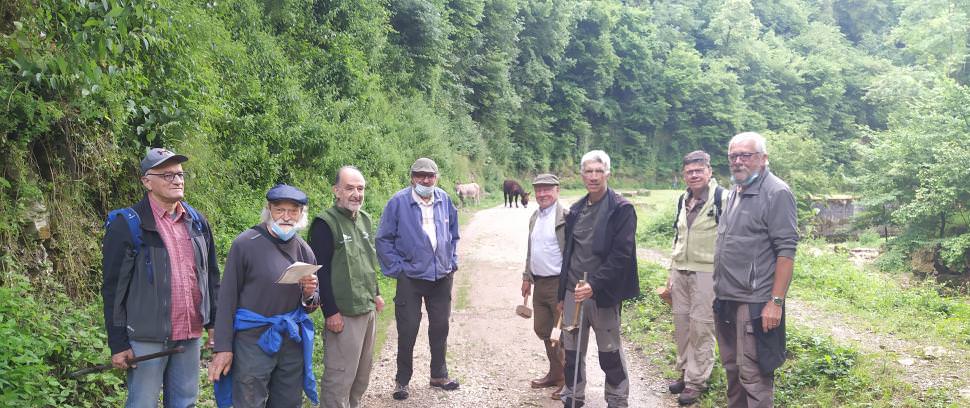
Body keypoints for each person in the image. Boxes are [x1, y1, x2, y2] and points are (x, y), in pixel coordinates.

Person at [101, 147, 219, 407]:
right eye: (167, 175)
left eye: (179, 174)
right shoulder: (128, 224)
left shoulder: (197, 221)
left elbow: (210, 275)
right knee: (142, 403)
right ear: (147, 182)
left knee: (185, 402)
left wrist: (214, 323)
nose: (177, 180)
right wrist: (118, 343)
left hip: (189, 334)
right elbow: (113, 289)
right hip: (146, 338)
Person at [208, 184, 320, 408]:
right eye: (280, 210)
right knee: (249, 402)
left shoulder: (303, 249)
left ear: (301, 214)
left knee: (288, 402)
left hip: (291, 340)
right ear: (269, 210)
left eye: (293, 210)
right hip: (252, 341)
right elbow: (227, 299)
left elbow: (312, 303)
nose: (286, 217)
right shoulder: (245, 244)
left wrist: (309, 294)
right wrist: (223, 347)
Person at [713, 132, 799, 408]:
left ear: (763, 159)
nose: (738, 161)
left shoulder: (776, 192)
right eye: (733, 156)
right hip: (727, 298)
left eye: (745, 155)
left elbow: (786, 251)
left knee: (754, 375)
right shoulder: (735, 191)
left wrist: (775, 302)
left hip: (754, 302)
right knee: (732, 370)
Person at [558, 150, 640, 408]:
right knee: (572, 351)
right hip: (573, 292)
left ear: (607, 173)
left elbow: (621, 255)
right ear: (582, 175)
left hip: (602, 294)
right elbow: (568, 255)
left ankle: (617, 399)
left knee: (609, 351)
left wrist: (595, 284)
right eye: (588, 171)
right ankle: (572, 395)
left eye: (598, 171)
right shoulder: (576, 209)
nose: (593, 176)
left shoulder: (621, 209)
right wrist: (563, 294)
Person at [376, 158, 461, 401]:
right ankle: (402, 380)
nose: (425, 180)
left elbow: (454, 234)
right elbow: (383, 239)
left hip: (442, 276)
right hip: (411, 279)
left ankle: (439, 375)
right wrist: (398, 269)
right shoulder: (398, 202)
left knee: (440, 327)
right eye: (420, 175)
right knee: (408, 328)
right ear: (412, 177)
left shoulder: (444, 199)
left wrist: (452, 260)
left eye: (430, 176)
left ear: (436, 177)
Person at [308, 166, 385, 408]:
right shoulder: (324, 224)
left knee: (361, 375)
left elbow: (367, 260)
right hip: (343, 314)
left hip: (367, 308)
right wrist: (330, 311)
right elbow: (321, 272)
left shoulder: (364, 219)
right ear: (336, 191)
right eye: (349, 188)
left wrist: (377, 293)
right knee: (340, 377)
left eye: (360, 188)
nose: (356, 194)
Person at [666, 150, 727, 406]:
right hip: (680, 269)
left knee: (701, 327)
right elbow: (678, 237)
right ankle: (684, 371)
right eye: (689, 171)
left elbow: (730, 238)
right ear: (684, 174)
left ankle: (696, 382)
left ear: (709, 171)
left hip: (707, 272)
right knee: (682, 325)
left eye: (699, 170)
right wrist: (671, 270)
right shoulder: (683, 199)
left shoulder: (722, 198)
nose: (694, 175)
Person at [520, 173, 568, 400]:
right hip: (539, 283)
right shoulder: (534, 217)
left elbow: (574, 254)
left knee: (564, 334)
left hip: (560, 283)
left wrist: (569, 287)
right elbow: (532, 250)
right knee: (543, 330)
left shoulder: (567, 217)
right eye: (538, 190)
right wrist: (527, 276)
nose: (542, 194)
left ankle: (569, 381)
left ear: (557, 190)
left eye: (547, 189)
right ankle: (555, 373)